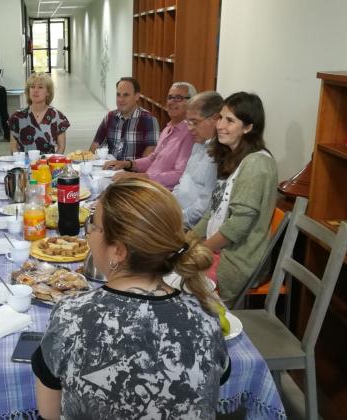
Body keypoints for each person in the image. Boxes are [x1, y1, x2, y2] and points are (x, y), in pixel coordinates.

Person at [32, 178, 230, 419]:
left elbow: (49, 413)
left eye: (93, 225)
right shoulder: (206, 316)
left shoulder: (71, 317)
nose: (89, 234)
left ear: (118, 250)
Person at [193, 92, 278, 304]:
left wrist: (200, 248)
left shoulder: (257, 164)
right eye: (220, 118)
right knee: (169, 259)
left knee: (177, 279)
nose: (220, 125)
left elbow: (236, 227)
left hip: (236, 262)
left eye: (230, 120)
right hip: (219, 250)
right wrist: (187, 241)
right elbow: (212, 212)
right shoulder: (233, 157)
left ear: (248, 128)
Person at [104, 82, 196, 190]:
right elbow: (153, 158)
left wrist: (138, 177)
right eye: (170, 97)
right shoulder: (168, 129)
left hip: (160, 193)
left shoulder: (190, 134)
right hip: (146, 185)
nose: (171, 102)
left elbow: (179, 175)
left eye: (178, 98)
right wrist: (126, 164)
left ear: (192, 103)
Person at [173, 91, 223, 228]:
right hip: (178, 216)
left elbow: (204, 207)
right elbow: (182, 182)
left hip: (191, 226)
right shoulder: (198, 144)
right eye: (187, 122)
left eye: (194, 122)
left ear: (215, 119)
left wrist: (177, 219)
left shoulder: (219, 155)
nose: (189, 128)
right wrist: (169, 207)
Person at [89, 77, 159, 160]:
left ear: (137, 96)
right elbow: (95, 145)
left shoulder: (149, 120)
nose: (120, 100)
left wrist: (130, 168)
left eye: (126, 95)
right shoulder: (110, 117)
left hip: (133, 171)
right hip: (109, 170)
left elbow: (149, 156)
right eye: (118, 95)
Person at [8, 72, 70, 154]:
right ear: (28, 91)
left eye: (40, 87)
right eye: (32, 87)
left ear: (48, 92)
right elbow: (13, 148)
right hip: (24, 164)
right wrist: (20, 163)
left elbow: (61, 147)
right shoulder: (17, 117)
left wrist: (54, 163)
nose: (35, 91)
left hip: (48, 164)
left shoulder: (57, 116)